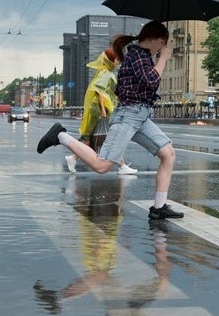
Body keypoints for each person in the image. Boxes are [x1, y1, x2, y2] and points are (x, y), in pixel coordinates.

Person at [37, 21, 182, 219]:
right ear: (155, 38)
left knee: (168, 153)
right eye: (163, 43)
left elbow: (145, 86)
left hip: (140, 115)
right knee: (102, 165)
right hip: (128, 115)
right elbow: (151, 81)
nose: (163, 48)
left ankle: (159, 207)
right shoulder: (137, 55)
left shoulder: (143, 56)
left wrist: (157, 59)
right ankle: (60, 135)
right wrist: (163, 59)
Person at [65, 47, 136, 175]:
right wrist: (103, 110)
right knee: (114, 136)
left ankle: (74, 157)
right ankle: (122, 166)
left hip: (102, 108)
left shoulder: (105, 71)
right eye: (116, 60)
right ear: (110, 60)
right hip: (101, 109)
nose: (118, 63)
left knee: (95, 138)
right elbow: (100, 92)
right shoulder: (105, 73)